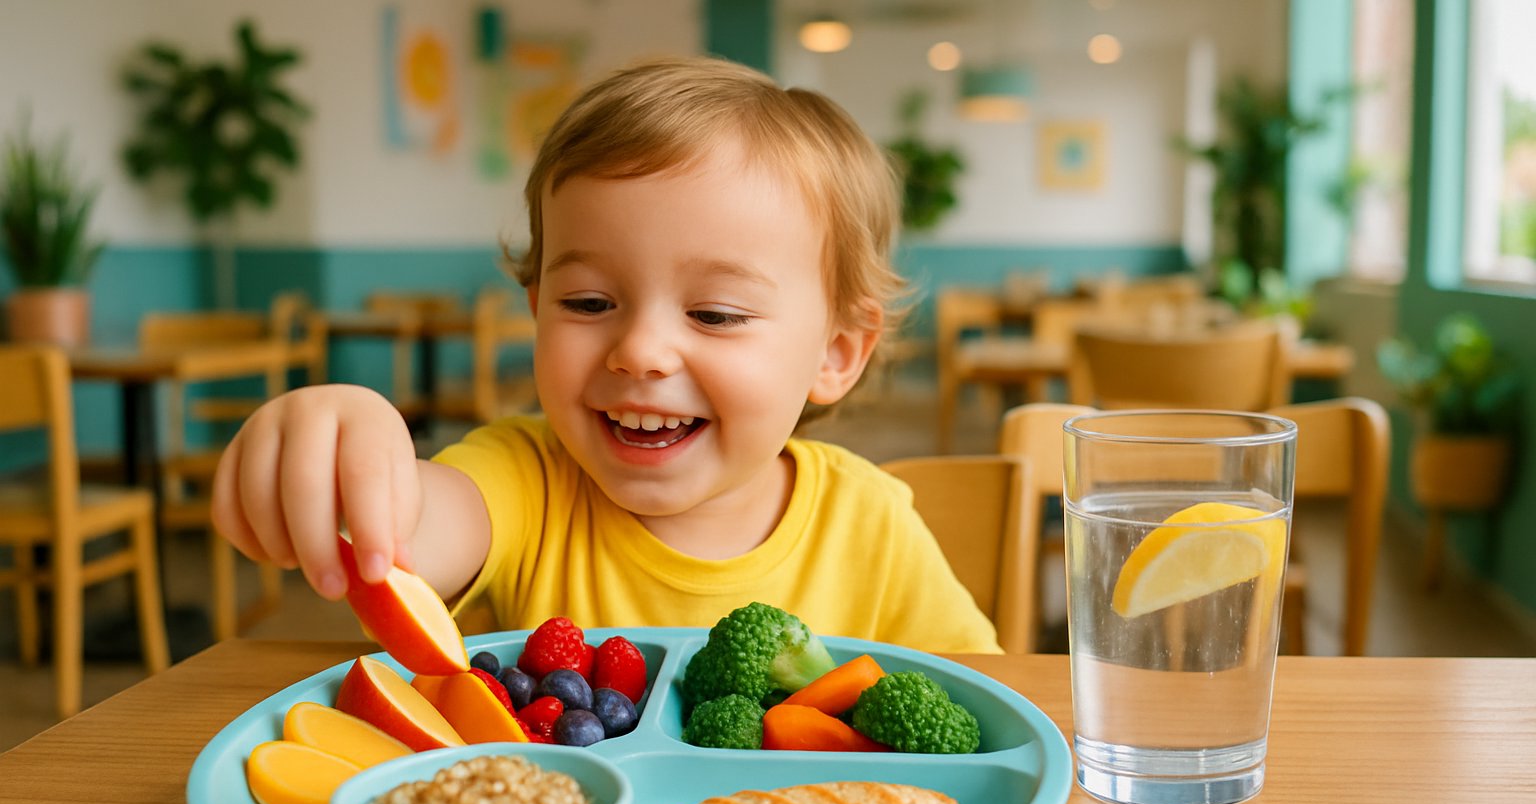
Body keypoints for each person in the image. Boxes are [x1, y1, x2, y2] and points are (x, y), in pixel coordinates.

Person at [212, 55, 1000, 654]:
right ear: (535, 309)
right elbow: (414, 535)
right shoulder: (527, 479)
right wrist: (353, 446)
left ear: (835, 353)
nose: (642, 351)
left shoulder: (870, 523)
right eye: (589, 303)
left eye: (715, 314)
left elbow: (987, 703)